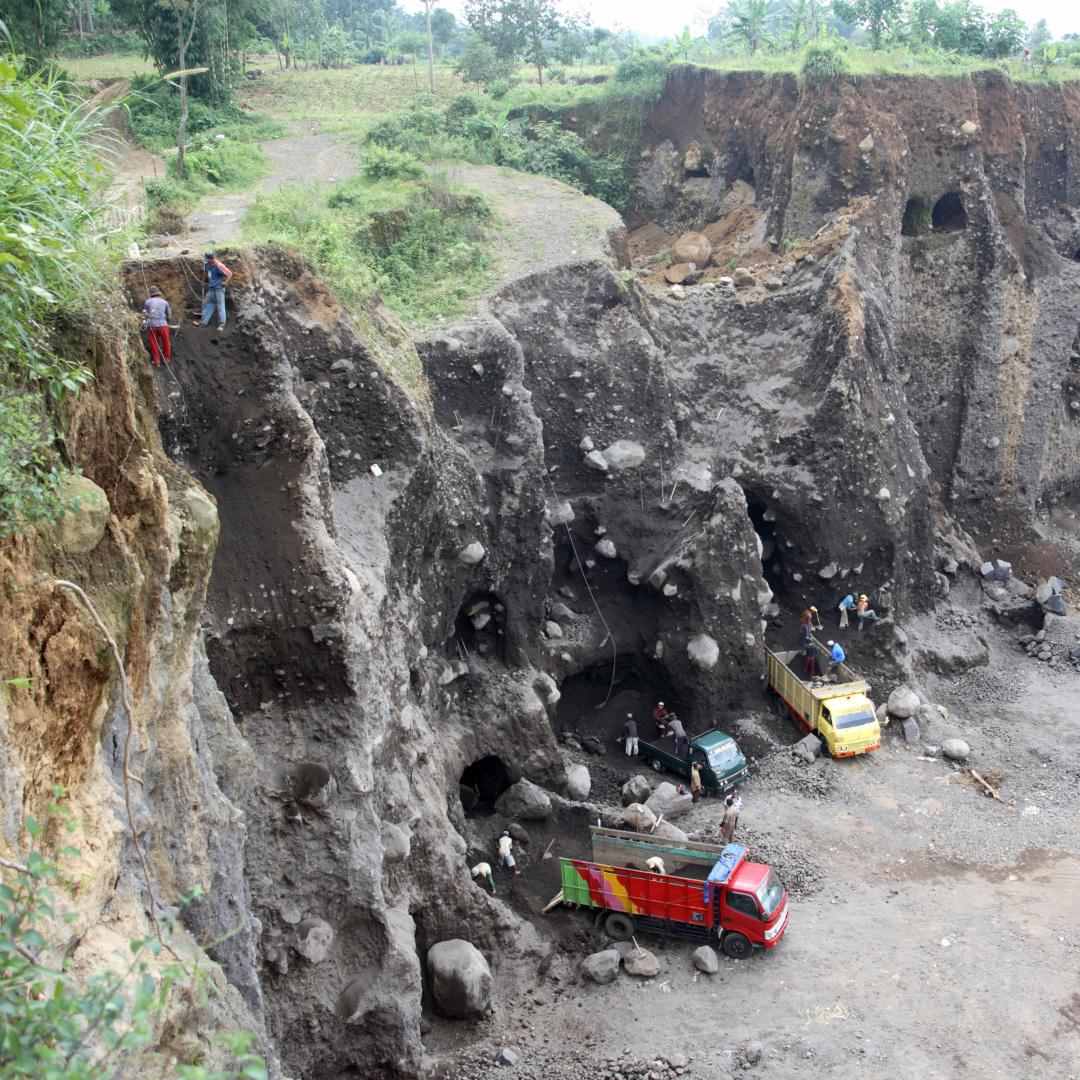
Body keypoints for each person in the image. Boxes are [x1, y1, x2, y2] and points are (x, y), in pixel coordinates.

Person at [199, 251, 233, 328]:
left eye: (207, 259)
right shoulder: (207, 265)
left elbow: (230, 274)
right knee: (208, 304)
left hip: (219, 289)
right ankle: (204, 322)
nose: (206, 260)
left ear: (211, 259)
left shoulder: (219, 265)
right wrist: (204, 281)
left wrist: (225, 282)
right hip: (211, 288)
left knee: (220, 306)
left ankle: (222, 324)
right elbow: (206, 273)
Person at [141, 286, 172, 367]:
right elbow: (169, 315)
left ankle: (156, 361)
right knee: (166, 342)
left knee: (154, 343)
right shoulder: (165, 302)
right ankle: (167, 359)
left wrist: (145, 322)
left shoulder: (147, 302)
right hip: (163, 325)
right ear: (158, 293)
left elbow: (144, 314)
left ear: (150, 294)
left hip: (152, 325)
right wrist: (167, 322)